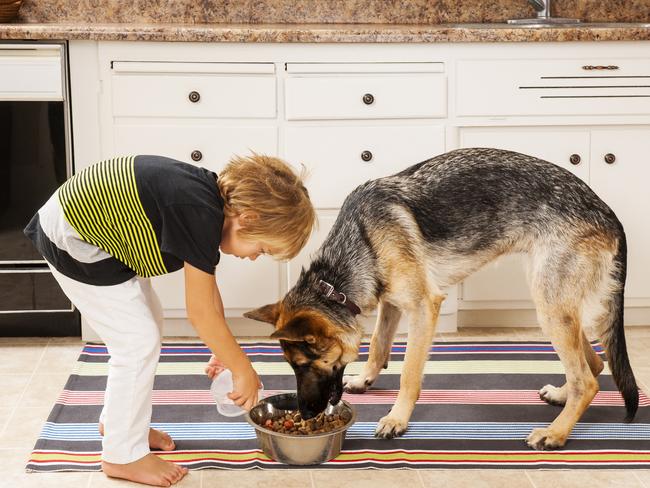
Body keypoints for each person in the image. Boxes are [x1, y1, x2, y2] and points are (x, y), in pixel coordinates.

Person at [24, 154, 316, 487]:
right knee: (136, 343)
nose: (252, 257)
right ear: (247, 219)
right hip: (74, 239)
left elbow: (207, 294)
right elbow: (200, 312)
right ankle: (122, 455)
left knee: (148, 323)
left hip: (101, 239)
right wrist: (242, 368)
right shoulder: (200, 212)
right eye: (261, 249)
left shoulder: (207, 206)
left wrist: (221, 347)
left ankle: (120, 423)